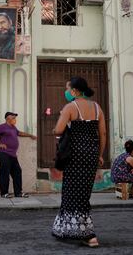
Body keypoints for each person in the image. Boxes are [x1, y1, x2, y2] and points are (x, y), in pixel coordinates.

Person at [51, 77, 106, 248]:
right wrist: (99, 154)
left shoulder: (70, 107)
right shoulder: (97, 108)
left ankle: (88, 234)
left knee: (70, 191)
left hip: (74, 154)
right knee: (83, 193)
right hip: (90, 154)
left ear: (74, 91)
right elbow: (102, 134)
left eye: (67, 88)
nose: (66, 92)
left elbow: (58, 130)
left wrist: (59, 124)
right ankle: (80, 232)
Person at [0, 112, 37, 198]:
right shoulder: (2, 126)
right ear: (8, 118)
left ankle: (18, 193)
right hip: (4, 153)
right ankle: (4, 193)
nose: (15, 120)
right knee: (5, 172)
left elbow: (20, 133)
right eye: (13, 118)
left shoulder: (13, 128)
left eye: (15, 118)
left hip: (12, 155)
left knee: (17, 172)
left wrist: (30, 135)